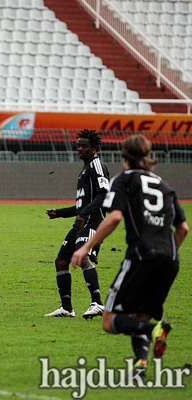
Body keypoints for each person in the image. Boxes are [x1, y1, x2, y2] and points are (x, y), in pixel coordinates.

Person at [72, 134, 188, 377]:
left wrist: (85, 247)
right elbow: (183, 228)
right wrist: (168, 254)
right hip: (170, 258)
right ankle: (141, 365)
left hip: (142, 255)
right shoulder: (164, 185)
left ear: (124, 158)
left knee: (109, 321)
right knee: (139, 314)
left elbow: (114, 217)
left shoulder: (124, 179)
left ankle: (155, 329)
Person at [45, 129, 110, 318]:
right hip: (82, 221)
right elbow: (82, 204)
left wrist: (84, 214)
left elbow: (104, 194)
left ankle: (98, 303)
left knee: (82, 257)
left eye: (84, 146)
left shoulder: (97, 166)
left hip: (93, 221)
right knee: (62, 261)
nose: (80, 149)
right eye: (78, 145)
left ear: (94, 147)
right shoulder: (85, 168)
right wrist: (60, 213)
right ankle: (66, 308)